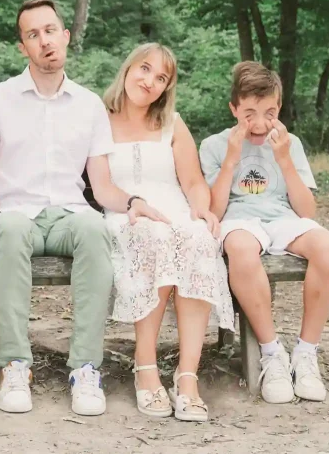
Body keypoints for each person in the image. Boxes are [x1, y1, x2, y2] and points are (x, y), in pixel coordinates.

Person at [0, 0, 167, 417]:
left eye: (50, 30)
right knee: (9, 229)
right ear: (23, 46)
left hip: (67, 216)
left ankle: (85, 368)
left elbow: (102, 185)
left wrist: (133, 202)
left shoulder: (88, 104)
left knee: (95, 230)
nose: (44, 41)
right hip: (14, 213)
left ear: (66, 35)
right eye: (33, 34)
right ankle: (15, 365)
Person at [103, 43, 234, 422]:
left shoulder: (172, 123)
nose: (150, 81)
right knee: (155, 238)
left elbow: (193, 180)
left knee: (197, 238)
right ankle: (145, 366)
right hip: (123, 210)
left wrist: (199, 207)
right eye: (145, 69)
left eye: (161, 78)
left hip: (173, 206)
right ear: (128, 69)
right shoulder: (99, 118)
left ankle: (187, 376)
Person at [200, 61, 329, 404]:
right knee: (240, 246)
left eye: (270, 112)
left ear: (279, 108)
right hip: (239, 220)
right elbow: (214, 212)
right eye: (249, 113)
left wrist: (284, 160)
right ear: (233, 108)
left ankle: (306, 354)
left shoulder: (289, 142)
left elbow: (307, 212)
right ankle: (271, 353)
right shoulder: (214, 146)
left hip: (282, 219)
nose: (260, 123)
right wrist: (233, 159)